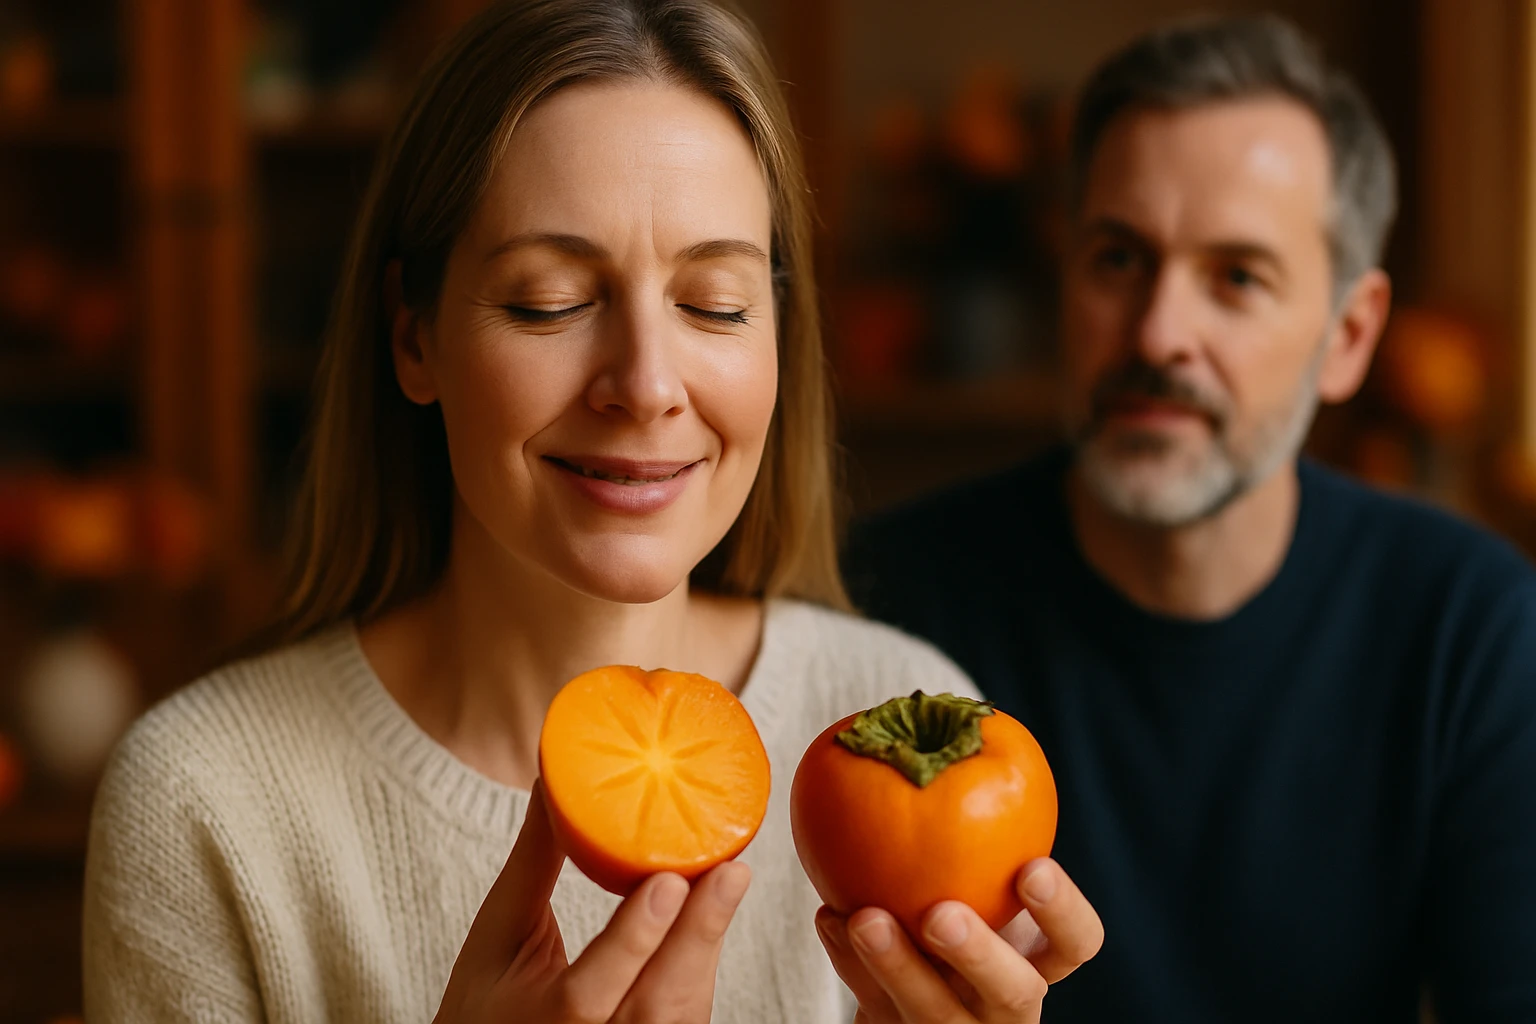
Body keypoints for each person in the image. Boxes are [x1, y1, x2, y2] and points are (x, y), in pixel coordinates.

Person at [81, 2, 1102, 1022]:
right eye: (550, 301)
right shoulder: (205, 799)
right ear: (413, 336)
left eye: (715, 305)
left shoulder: (908, 726)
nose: (647, 385)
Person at [846, 14, 1536, 1024]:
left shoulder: (1469, 627)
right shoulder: (881, 603)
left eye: (1237, 277)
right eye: (1119, 258)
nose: (1160, 332)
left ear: (1348, 336)